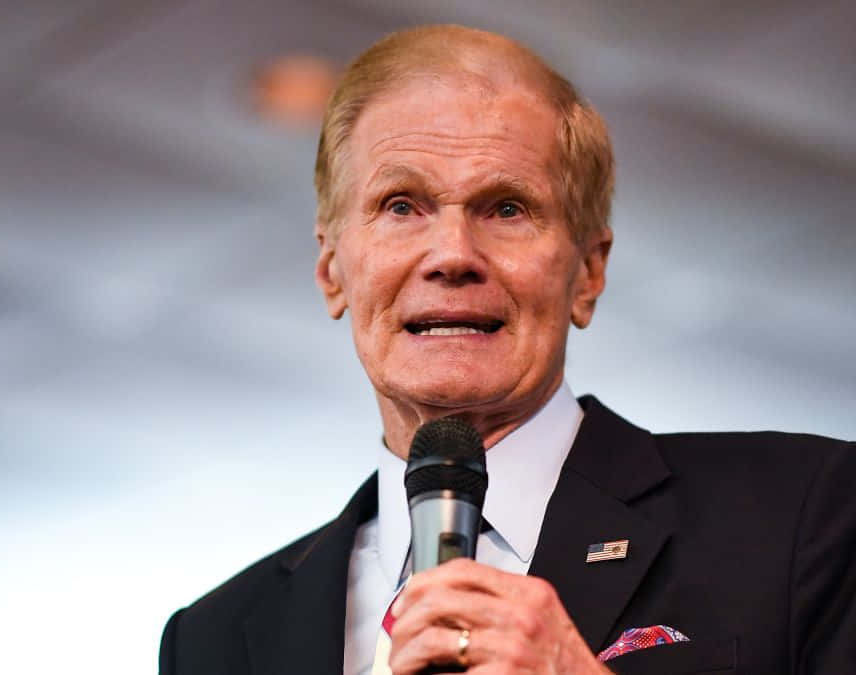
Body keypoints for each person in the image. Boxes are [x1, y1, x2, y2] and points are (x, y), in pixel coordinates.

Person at [159, 25, 855, 675]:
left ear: (588, 271)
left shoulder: (801, 514)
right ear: (332, 268)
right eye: (402, 205)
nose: (453, 254)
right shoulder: (215, 639)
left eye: (507, 208)